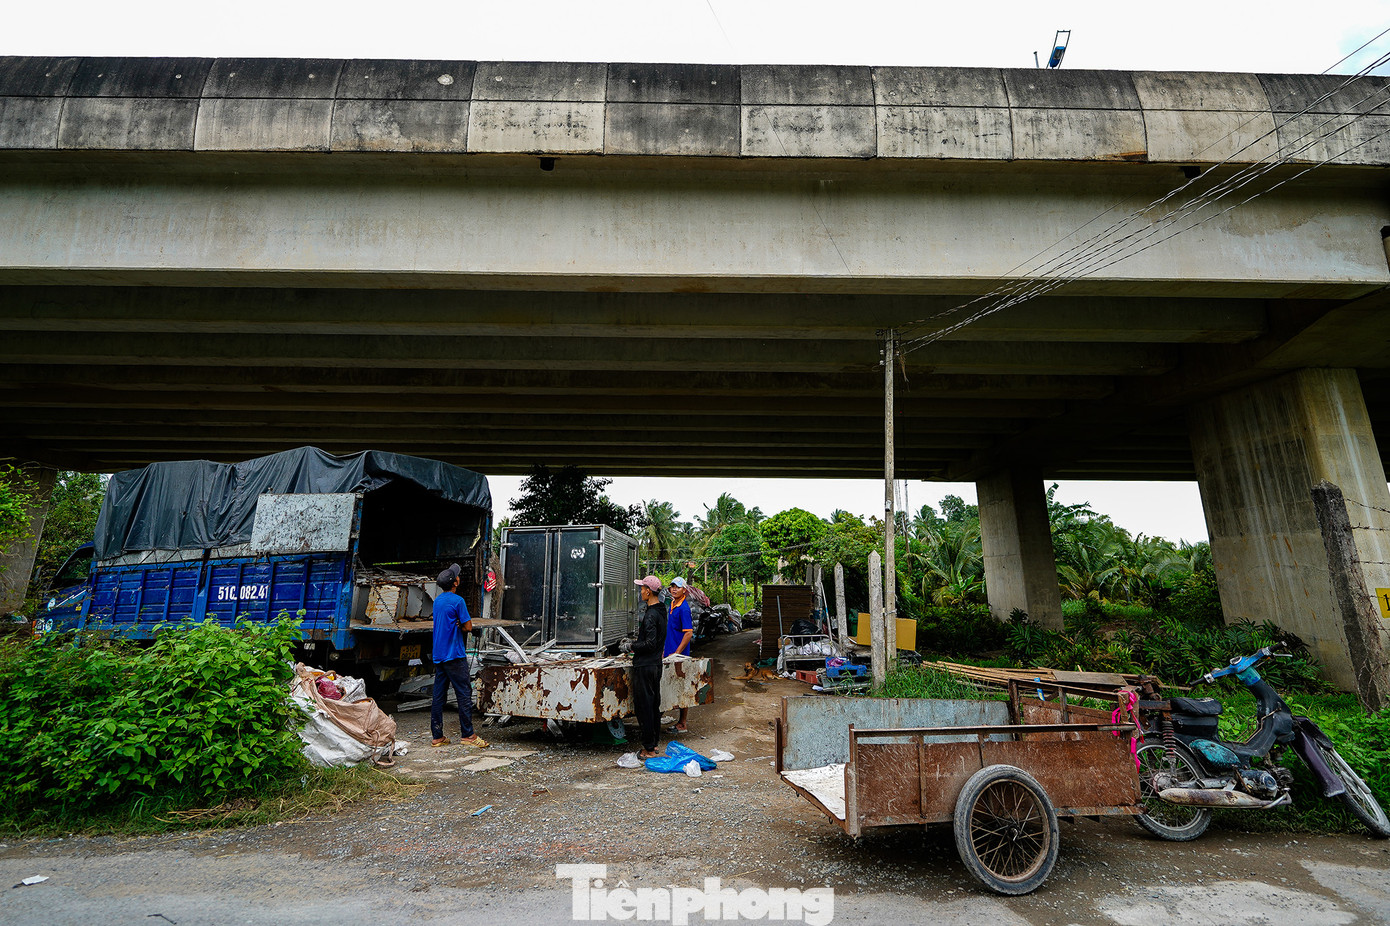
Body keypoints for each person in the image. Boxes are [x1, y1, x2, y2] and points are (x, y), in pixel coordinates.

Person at [430, 563, 488, 749]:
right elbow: (469, 626)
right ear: (455, 582)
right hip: (454, 655)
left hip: (439, 656)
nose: (459, 577)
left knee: (438, 697)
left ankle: (437, 736)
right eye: (457, 576)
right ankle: (468, 735)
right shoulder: (458, 601)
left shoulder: (437, 601)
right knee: (463, 694)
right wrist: (460, 625)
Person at [630, 574, 667, 759]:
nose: (640, 592)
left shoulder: (651, 615)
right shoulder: (661, 611)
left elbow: (650, 643)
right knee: (653, 706)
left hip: (645, 666)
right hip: (655, 665)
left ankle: (649, 748)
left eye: (642, 589)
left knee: (644, 707)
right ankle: (653, 744)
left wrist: (631, 645)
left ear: (649, 591)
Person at [664, 577, 695, 734]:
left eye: (677, 587)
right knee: (669, 684)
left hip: (679, 655)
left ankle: (682, 723)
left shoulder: (683, 608)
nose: (674, 589)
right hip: (669, 653)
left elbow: (688, 633)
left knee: (682, 687)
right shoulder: (672, 604)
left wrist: (677, 652)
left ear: (684, 590)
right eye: (672, 587)